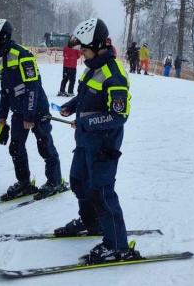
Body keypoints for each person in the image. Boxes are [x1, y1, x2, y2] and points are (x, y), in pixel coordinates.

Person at [55, 18, 137, 262]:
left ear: (99, 45)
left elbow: (119, 115)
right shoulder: (93, 67)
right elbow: (84, 96)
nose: (81, 54)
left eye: (84, 49)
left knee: (101, 192)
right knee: (79, 182)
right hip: (85, 140)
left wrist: (86, 122)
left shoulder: (114, 74)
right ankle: (91, 223)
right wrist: (71, 107)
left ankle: (117, 245)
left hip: (104, 144)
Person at [0, 19, 65, 201]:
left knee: (44, 145)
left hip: (36, 109)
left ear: (2, 37)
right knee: (15, 148)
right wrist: (2, 117)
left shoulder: (22, 55)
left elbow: (32, 87)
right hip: (19, 111)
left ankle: (55, 181)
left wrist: (29, 115)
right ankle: (24, 183)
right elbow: (5, 92)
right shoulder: (2, 60)